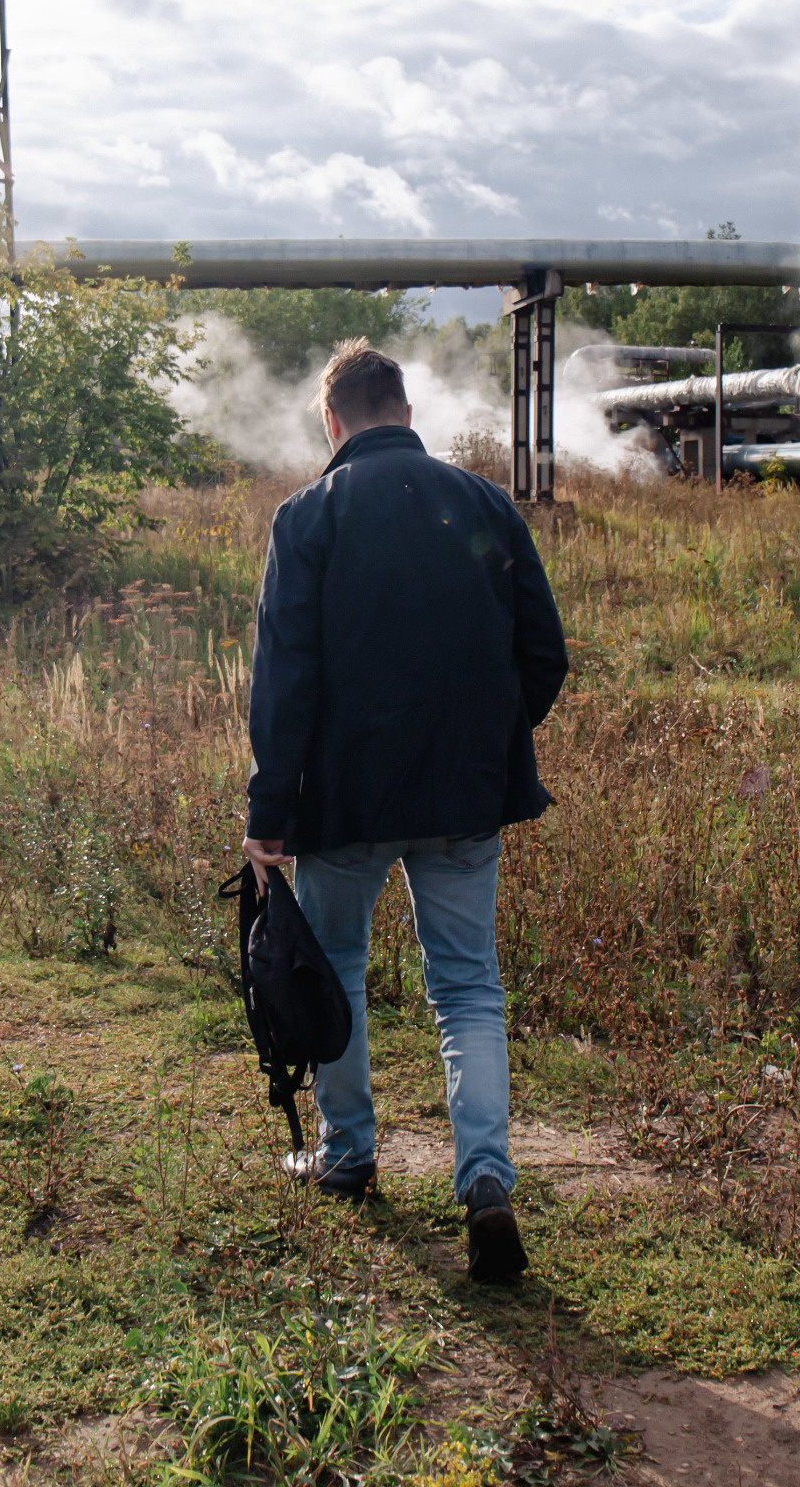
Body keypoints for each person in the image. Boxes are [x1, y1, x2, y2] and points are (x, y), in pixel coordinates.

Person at [240, 340, 570, 1284]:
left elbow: (284, 683)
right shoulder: (481, 505)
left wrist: (271, 812)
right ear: (408, 412)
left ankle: (348, 1157)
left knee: (335, 964)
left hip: (341, 802)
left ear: (333, 422)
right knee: (468, 987)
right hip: (465, 795)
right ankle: (486, 1183)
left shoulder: (307, 518)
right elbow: (541, 654)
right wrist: (487, 739)